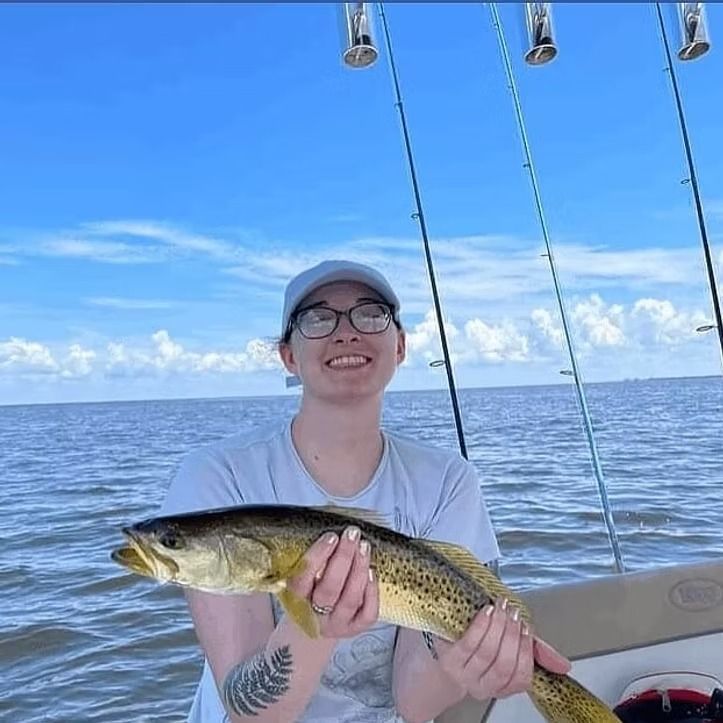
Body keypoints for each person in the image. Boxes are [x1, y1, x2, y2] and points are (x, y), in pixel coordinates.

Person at [160, 259, 571, 723]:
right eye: (317, 318)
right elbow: (250, 713)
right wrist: (315, 624)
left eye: (370, 313)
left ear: (399, 345)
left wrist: (462, 664)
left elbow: (415, 704)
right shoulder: (215, 478)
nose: (347, 332)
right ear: (288, 356)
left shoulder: (449, 482)